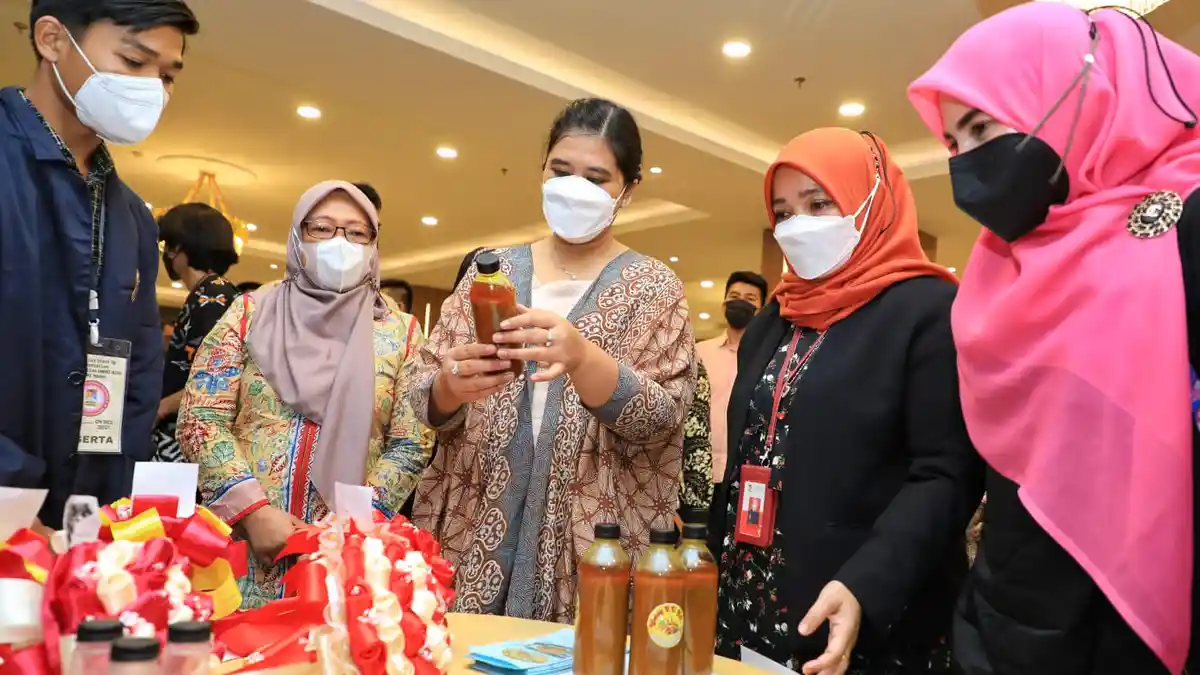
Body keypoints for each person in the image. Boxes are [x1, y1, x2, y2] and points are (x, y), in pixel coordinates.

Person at [907, 4, 1200, 674]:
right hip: (1012, 631)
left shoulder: (1188, 222)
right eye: (954, 141)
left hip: (1145, 632)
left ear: (1080, 84)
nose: (966, 160)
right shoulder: (997, 268)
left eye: (980, 124)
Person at [409, 97, 696, 622]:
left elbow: (664, 417)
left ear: (628, 190)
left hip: (591, 536)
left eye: (596, 178)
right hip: (472, 523)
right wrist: (453, 385)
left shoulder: (653, 287)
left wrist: (584, 358)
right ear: (541, 170)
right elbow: (420, 392)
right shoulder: (491, 269)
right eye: (560, 171)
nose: (574, 189)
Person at [709, 127, 983, 674]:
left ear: (869, 203)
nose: (798, 225)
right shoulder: (773, 320)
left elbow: (946, 473)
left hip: (859, 606)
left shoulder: (929, 311)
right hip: (749, 598)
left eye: (818, 203)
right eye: (783, 212)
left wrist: (866, 583)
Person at [177, 181, 432, 608]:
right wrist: (253, 514)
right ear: (298, 236)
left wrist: (346, 531)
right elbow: (201, 417)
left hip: (345, 559)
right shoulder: (248, 313)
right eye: (322, 229)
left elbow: (411, 443)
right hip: (243, 552)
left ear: (373, 243)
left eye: (356, 233)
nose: (340, 243)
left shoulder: (401, 333)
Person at [0, 0, 198, 531]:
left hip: (81, 516)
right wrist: (12, 499)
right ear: (53, 40)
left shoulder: (132, 214)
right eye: (134, 63)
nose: (153, 88)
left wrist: (106, 505)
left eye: (167, 75)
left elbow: (130, 370)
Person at [153, 203, 239, 463]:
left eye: (168, 243)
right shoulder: (214, 292)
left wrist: (160, 408)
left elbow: (215, 378)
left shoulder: (212, 295)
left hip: (187, 442)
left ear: (180, 246)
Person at [696, 271, 767, 484]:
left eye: (750, 299)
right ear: (723, 304)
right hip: (701, 472)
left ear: (761, 310)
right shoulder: (699, 353)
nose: (740, 303)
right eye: (734, 297)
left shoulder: (769, 359)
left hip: (748, 472)